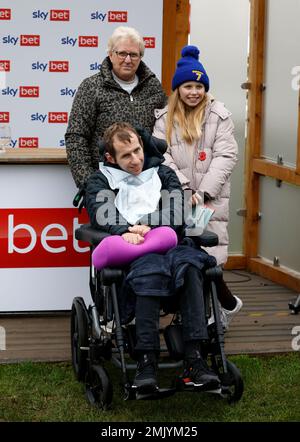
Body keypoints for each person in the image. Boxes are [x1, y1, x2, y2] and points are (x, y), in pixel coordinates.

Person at [85, 122, 221, 393]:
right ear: (111, 157)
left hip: (170, 242)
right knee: (150, 271)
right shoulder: (100, 179)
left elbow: (176, 210)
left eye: (138, 151)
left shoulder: (164, 173)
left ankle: (195, 360)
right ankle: (147, 360)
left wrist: (147, 224)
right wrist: (125, 230)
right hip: (135, 250)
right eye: (126, 156)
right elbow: (101, 212)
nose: (135, 160)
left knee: (192, 267)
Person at [152, 45, 243, 330]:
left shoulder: (219, 115)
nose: (194, 91)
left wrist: (202, 192)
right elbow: (160, 156)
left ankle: (217, 312)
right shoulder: (164, 119)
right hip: (179, 199)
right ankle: (201, 313)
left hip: (210, 201)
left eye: (199, 86)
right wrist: (184, 190)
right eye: (188, 86)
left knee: (209, 257)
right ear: (178, 89)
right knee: (184, 256)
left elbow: (226, 155)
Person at [65, 26, 167, 190]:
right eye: (122, 53)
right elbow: (76, 137)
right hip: (106, 185)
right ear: (111, 54)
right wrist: (89, 184)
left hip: (147, 184)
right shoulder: (91, 87)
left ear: (140, 57)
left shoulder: (153, 87)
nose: (128, 59)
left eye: (134, 54)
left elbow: (168, 129)